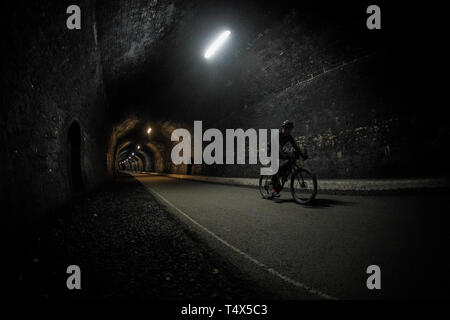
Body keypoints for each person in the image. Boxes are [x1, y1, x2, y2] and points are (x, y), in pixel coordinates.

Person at [270, 120, 308, 197]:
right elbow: (278, 147)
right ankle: (273, 190)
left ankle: (283, 173)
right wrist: (283, 154)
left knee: (292, 157)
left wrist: (302, 155)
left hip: (280, 151)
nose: (288, 131)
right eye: (287, 129)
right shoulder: (278, 135)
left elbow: (296, 147)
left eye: (290, 129)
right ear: (283, 129)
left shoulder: (289, 136)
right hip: (272, 150)